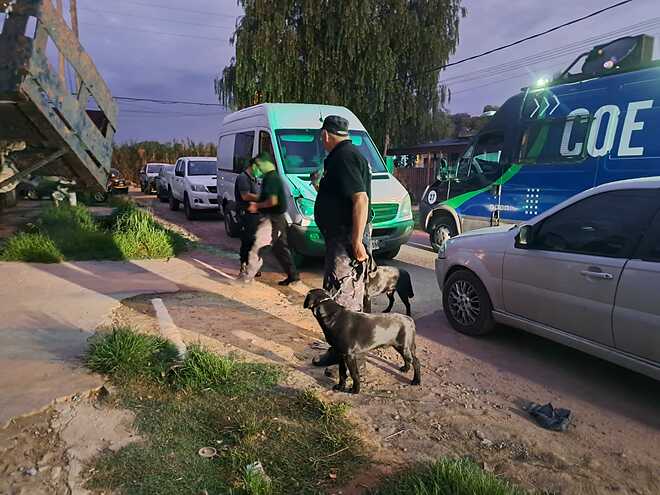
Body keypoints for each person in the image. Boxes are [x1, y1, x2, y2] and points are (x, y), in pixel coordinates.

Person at [311, 115, 373, 369]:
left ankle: (353, 361)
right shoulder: (346, 155)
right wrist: (320, 188)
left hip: (346, 239)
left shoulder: (344, 157)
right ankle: (339, 351)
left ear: (326, 134)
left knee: (344, 300)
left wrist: (357, 241)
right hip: (341, 237)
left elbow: (360, 200)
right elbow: (342, 197)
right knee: (338, 296)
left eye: (321, 136)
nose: (321, 140)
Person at [239, 153, 300, 286]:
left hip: (274, 220)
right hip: (277, 218)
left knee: (258, 248)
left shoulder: (271, 178)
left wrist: (257, 205)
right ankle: (293, 276)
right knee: (281, 249)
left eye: (259, 165)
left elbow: (272, 201)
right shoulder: (271, 177)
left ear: (265, 163)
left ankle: (246, 279)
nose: (257, 168)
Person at [234, 158, 260, 277]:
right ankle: (244, 267)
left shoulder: (254, 179)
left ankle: (252, 267)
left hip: (254, 215)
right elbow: (245, 196)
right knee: (247, 241)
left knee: (254, 242)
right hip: (246, 215)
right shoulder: (243, 178)